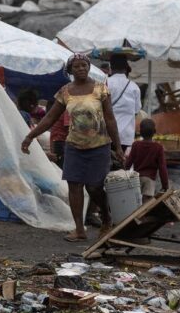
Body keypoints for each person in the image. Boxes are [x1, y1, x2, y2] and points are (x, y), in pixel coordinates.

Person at [22, 54, 124, 242]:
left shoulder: (101, 89)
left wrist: (118, 147)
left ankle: (106, 218)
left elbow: (110, 118)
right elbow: (50, 118)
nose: (81, 69)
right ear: (70, 71)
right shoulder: (65, 92)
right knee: (74, 186)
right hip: (74, 146)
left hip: (99, 145)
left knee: (94, 187)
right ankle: (79, 229)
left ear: (89, 67)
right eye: (76, 66)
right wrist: (30, 136)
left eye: (84, 65)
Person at [126, 119, 169, 200]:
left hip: (136, 179)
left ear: (140, 132)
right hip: (149, 181)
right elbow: (162, 168)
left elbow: (129, 162)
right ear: (154, 131)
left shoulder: (136, 145)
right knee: (146, 205)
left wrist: (124, 175)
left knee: (135, 203)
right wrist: (165, 186)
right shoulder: (158, 147)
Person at [107, 55, 142, 151]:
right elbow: (136, 110)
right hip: (125, 136)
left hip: (107, 134)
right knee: (121, 163)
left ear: (110, 68)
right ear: (126, 68)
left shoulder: (104, 83)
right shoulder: (134, 87)